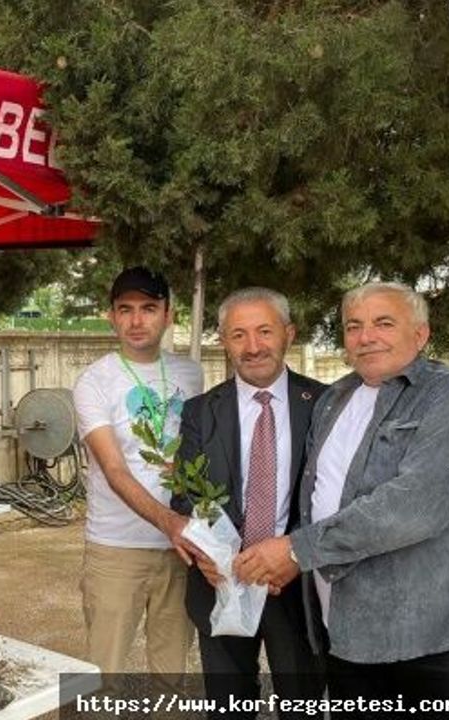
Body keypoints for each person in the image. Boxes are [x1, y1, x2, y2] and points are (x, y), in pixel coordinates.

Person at [234, 282, 449, 717]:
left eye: (384, 323)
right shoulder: (335, 399)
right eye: (353, 326)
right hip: (347, 637)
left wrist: (294, 550)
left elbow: (408, 509)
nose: (366, 336)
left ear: (420, 334)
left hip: (432, 644)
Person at [172, 288, 325, 716]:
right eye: (239, 334)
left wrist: (294, 554)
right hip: (223, 583)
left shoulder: (325, 403)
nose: (253, 346)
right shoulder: (200, 411)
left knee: (303, 706)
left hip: (295, 586)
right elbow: (185, 493)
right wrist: (208, 552)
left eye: (264, 331)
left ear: (288, 334)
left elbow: (341, 494)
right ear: (223, 340)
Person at [72, 266, 205, 673]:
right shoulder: (94, 381)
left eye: (148, 308)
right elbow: (114, 469)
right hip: (116, 549)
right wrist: (170, 522)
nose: (135, 320)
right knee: (103, 676)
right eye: (125, 309)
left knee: (172, 675)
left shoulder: (191, 373)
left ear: (169, 314)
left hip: (179, 551)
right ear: (111, 315)